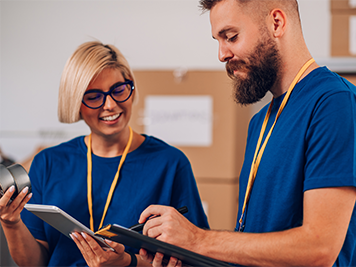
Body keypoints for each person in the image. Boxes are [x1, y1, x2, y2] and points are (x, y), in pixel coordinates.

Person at [139, 0, 356, 266]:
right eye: (218, 40)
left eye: (231, 37)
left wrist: (198, 239)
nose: (221, 54)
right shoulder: (260, 122)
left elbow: (320, 248)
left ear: (276, 23)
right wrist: (182, 252)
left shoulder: (334, 102)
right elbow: (255, 245)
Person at [0, 41, 209, 267]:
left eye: (118, 90)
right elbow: (34, 263)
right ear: (76, 102)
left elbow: (195, 260)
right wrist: (11, 223)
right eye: (94, 96)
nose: (110, 105)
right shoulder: (48, 163)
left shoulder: (170, 163)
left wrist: (128, 262)